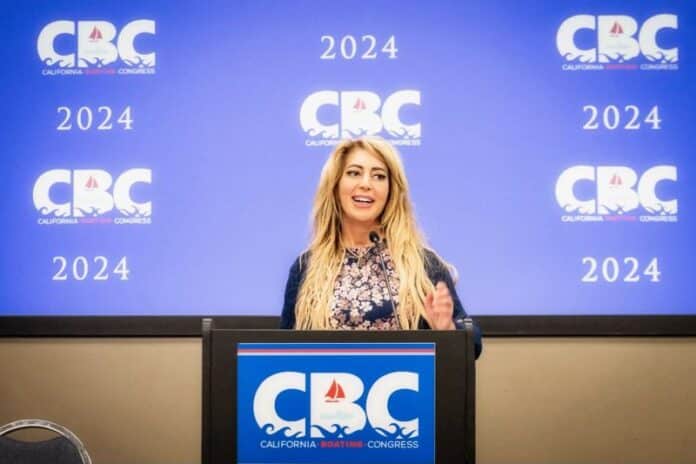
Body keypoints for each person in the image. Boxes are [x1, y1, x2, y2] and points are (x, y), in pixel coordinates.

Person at [280, 137, 482, 358]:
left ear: (391, 192)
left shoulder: (422, 264)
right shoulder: (306, 267)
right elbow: (282, 352)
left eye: (379, 176)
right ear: (335, 185)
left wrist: (447, 331)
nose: (366, 184)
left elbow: (472, 343)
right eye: (354, 173)